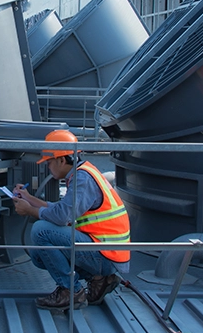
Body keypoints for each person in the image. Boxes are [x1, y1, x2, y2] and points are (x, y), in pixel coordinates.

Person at [12, 129, 130, 310]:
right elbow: (61, 210)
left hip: (106, 255)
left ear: (61, 160)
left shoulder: (82, 179)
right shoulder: (82, 173)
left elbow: (61, 216)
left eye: (49, 163)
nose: (48, 168)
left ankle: (71, 292)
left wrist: (30, 210)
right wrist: (28, 198)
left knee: (40, 230)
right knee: (37, 256)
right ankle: (99, 279)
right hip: (104, 250)